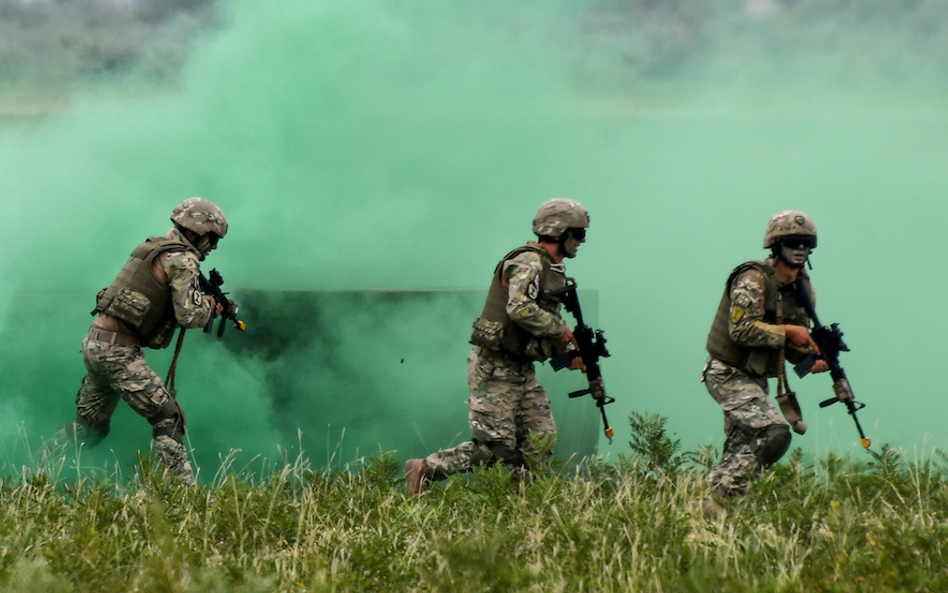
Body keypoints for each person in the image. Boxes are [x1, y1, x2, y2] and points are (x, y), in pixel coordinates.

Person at [404, 198, 592, 497]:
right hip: (494, 368)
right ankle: (426, 468)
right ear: (560, 233)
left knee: (541, 440)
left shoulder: (551, 269)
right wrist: (561, 330)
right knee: (496, 449)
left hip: (521, 370)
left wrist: (566, 356)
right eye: (579, 234)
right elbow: (520, 310)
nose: (581, 242)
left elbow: (538, 322)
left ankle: (521, 505)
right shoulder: (528, 262)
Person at [55, 197, 232, 485]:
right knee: (168, 416)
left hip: (96, 344)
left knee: (90, 428)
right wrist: (210, 306)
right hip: (118, 352)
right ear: (197, 231)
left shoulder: (153, 249)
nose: (212, 247)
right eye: (212, 238)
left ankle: (38, 469)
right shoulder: (183, 259)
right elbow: (188, 315)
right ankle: (179, 498)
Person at [702, 210, 830, 515]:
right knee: (773, 434)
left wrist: (812, 357)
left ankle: (711, 515)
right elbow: (742, 329)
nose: (800, 249)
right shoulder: (753, 278)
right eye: (793, 242)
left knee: (740, 449)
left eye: (806, 243)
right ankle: (720, 498)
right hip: (727, 373)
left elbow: (793, 346)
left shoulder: (803, 289)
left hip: (755, 378)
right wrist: (789, 332)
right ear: (777, 245)